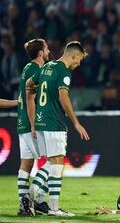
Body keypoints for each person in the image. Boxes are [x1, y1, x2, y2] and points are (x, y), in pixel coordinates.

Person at [26, 41, 90, 217]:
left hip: (40, 121)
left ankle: (36, 197)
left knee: (50, 162)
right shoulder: (63, 71)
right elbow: (63, 97)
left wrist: (35, 100)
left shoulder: (47, 66)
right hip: (54, 123)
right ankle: (52, 206)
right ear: (74, 55)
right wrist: (76, 123)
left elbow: (30, 84)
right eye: (79, 60)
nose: (78, 65)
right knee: (58, 163)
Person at [17, 39, 52, 216]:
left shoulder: (26, 69)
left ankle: (25, 205)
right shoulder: (37, 70)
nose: (48, 51)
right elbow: (31, 99)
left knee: (26, 165)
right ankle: (33, 199)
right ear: (40, 53)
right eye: (46, 48)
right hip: (32, 123)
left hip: (21, 123)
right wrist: (33, 124)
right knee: (53, 161)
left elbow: (23, 98)